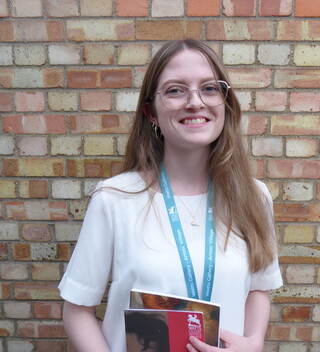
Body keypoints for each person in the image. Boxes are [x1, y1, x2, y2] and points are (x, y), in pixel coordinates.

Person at [59, 39, 283, 352]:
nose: (195, 102)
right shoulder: (114, 200)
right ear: (151, 111)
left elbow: (258, 289)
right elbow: (77, 309)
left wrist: (254, 342)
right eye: (176, 90)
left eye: (209, 88)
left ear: (225, 102)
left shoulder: (253, 196)